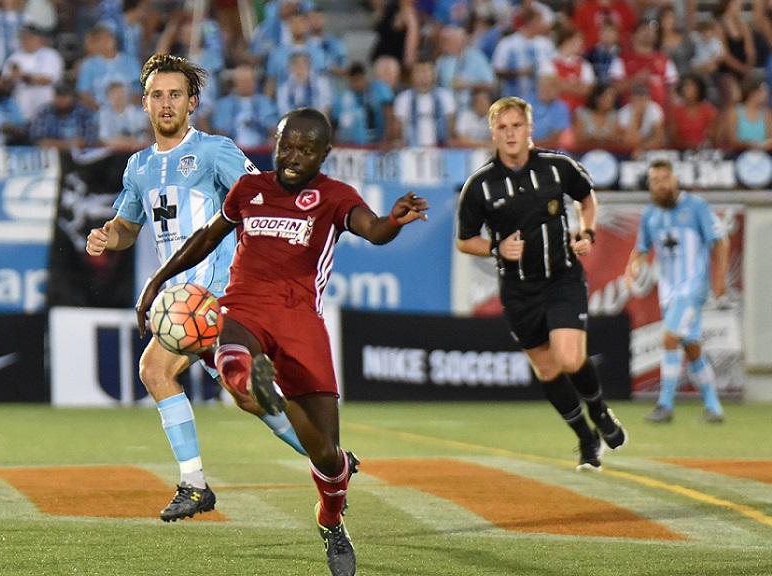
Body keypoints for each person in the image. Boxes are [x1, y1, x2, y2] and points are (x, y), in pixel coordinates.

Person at [135, 107, 428, 576]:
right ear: (274, 141)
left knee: (328, 456)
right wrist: (157, 280)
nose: (293, 157)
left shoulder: (334, 196)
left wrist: (393, 220)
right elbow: (207, 238)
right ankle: (254, 381)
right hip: (242, 311)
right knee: (235, 366)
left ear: (324, 154)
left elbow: (372, 230)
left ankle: (330, 519)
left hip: (300, 323)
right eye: (286, 145)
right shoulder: (250, 189)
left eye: (306, 150)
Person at [84, 54, 310, 523]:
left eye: (175, 96)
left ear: (192, 104)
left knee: (154, 369)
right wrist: (109, 235)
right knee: (249, 395)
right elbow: (128, 226)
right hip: (181, 300)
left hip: (218, 290)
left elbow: (259, 198)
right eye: (157, 96)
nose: (166, 104)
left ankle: (194, 483)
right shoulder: (138, 167)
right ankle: (329, 457)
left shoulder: (213, 150)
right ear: (144, 104)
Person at [455, 96, 627, 472]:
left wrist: (587, 231)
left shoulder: (556, 166)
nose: (510, 133)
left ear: (530, 129)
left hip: (561, 277)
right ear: (493, 133)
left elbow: (587, 198)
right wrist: (497, 248)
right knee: (548, 370)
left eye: (517, 125)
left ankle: (599, 409)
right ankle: (585, 437)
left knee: (568, 357)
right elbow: (465, 240)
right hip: (518, 290)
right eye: (503, 127)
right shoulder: (480, 185)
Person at [624, 160, 728, 423]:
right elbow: (642, 247)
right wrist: (631, 268)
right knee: (690, 346)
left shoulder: (696, 207)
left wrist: (719, 279)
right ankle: (713, 406)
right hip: (668, 291)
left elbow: (721, 240)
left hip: (692, 288)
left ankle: (665, 405)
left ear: (674, 180)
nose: (659, 185)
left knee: (669, 338)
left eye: (664, 178)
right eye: (654, 181)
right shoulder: (651, 214)